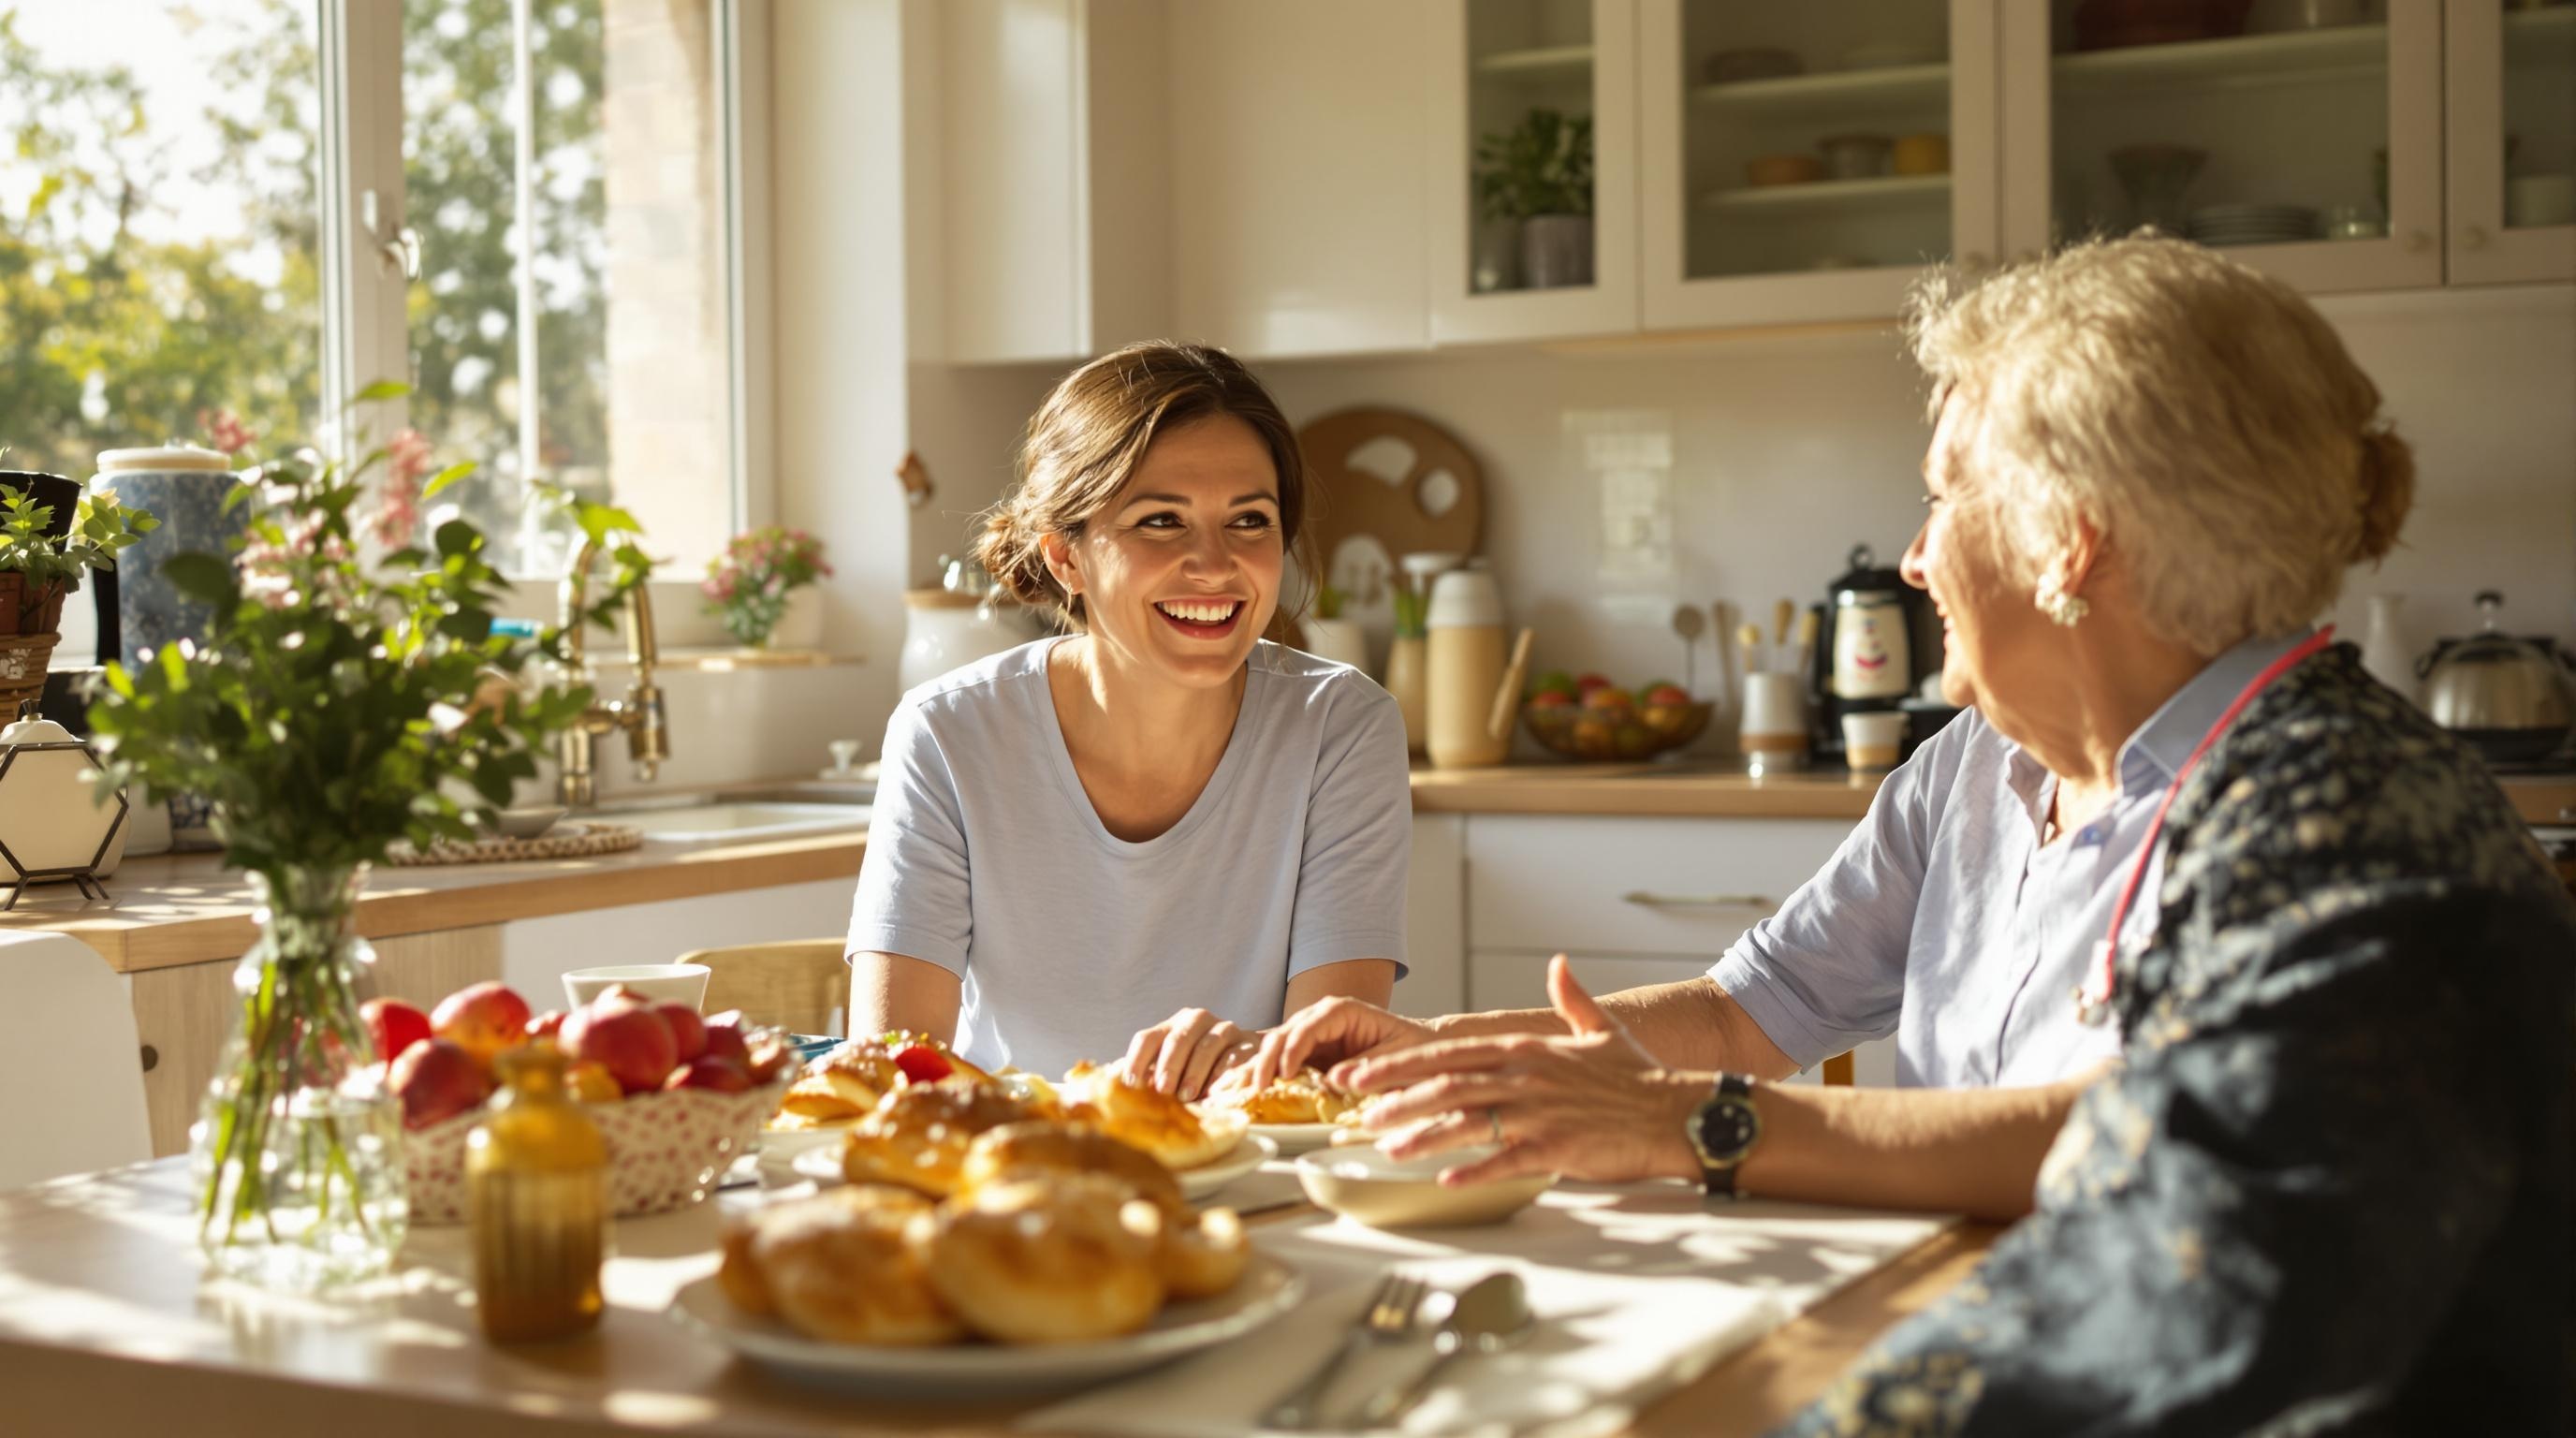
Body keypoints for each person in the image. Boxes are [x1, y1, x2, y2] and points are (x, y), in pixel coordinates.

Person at [1277, 237, 2576, 1431]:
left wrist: (1697, 1126)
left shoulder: (2342, 826)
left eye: (1942, 496)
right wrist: (1447, 1058)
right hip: (1954, 1285)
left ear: (2069, 543)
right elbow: (1757, 1007)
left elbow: (2145, 1178)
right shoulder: (1976, 762)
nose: (1910, 558)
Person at [845, 341, 1408, 1094]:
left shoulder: (1341, 726)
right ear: (1065, 558)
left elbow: (1329, 1067)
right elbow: (890, 1069)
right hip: (1009, 1174)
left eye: (1249, 521)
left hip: (1256, 1174)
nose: (1214, 565)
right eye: (1160, 522)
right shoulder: (950, 733)